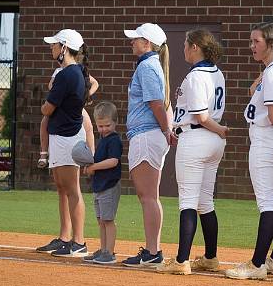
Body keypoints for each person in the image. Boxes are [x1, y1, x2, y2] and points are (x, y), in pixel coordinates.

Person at [225, 23, 273, 280]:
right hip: (271, 139)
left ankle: (257, 264)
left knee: (268, 204)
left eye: (257, 41)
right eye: (251, 41)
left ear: (271, 44)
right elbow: (254, 92)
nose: (252, 46)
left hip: (266, 138)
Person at [157, 28, 228, 275]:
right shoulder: (217, 73)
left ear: (196, 47)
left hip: (198, 138)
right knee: (205, 202)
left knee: (188, 202)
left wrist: (219, 129)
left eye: (187, 44)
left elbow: (200, 116)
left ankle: (181, 261)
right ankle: (210, 257)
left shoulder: (197, 76)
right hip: (209, 141)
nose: (184, 48)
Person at [122, 23, 177, 268]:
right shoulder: (152, 65)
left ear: (147, 43)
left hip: (146, 134)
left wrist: (166, 129)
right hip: (148, 134)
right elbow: (162, 104)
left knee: (147, 197)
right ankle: (153, 249)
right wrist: (167, 128)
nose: (132, 42)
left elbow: (157, 104)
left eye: (136, 39)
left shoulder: (147, 66)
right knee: (149, 196)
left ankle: (153, 251)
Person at [35, 29, 91, 258]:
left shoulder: (68, 74)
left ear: (65, 48)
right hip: (60, 135)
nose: (52, 48)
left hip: (68, 137)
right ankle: (65, 237)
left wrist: (45, 108)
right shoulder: (70, 72)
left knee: (72, 189)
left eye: (55, 45)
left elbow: (47, 108)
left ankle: (78, 242)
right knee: (62, 188)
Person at [80, 101, 123, 265]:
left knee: (108, 220)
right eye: (100, 126)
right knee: (101, 221)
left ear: (115, 122)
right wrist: (89, 167)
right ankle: (103, 249)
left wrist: (94, 167)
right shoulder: (103, 140)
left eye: (107, 125)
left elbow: (113, 161)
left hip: (109, 186)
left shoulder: (114, 140)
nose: (104, 129)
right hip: (100, 186)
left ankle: (110, 253)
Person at [37, 58, 99, 168]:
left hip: (74, 105)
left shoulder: (78, 71)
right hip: (59, 105)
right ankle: (43, 154)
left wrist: (85, 95)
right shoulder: (58, 72)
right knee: (44, 123)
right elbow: (51, 86)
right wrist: (61, 89)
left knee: (88, 126)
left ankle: (91, 154)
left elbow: (95, 84)